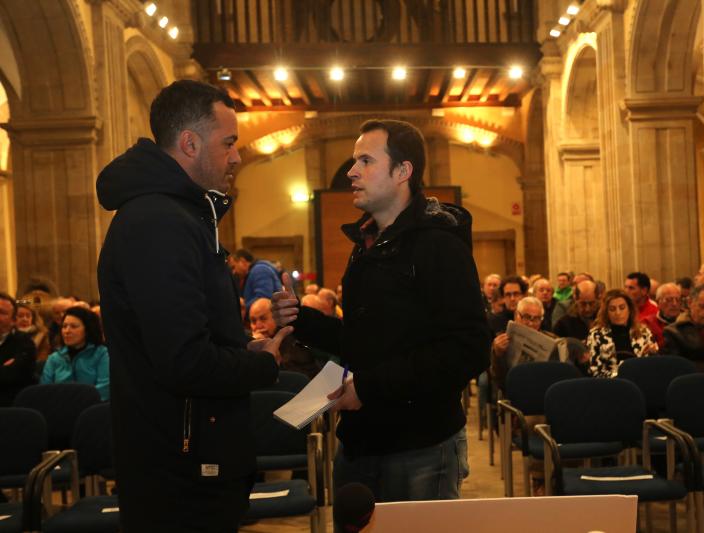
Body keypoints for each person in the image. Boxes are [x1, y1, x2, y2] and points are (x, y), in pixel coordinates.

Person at [96, 80, 290, 532]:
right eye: (229, 143)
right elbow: (183, 361)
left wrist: (247, 350)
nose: (237, 156)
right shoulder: (160, 223)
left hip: (189, 456)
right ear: (189, 143)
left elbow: (191, 333)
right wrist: (263, 364)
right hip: (179, 469)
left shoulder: (178, 216)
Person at [272, 118, 490, 502]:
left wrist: (370, 388)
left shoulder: (439, 246)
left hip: (421, 446)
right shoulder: (367, 244)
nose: (352, 172)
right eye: (354, 161)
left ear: (403, 171)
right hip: (361, 442)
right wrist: (300, 319)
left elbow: (467, 349)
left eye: (366, 161)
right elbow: (362, 339)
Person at [40, 306, 110, 401]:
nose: (67, 331)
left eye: (74, 326)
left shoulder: (102, 354)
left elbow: (104, 389)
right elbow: (44, 390)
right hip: (58, 408)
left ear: (87, 329)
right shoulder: (54, 357)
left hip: (91, 408)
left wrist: (76, 403)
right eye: (64, 326)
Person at [587, 290, 657, 378]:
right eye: (612, 309)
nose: (618, 313)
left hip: (641, 378)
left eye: (622, 307)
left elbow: (653, 364)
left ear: (629, 309)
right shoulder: (596, 334)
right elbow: (595, 370)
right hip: (611, 383)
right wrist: (619, 377)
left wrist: (653, 353)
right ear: (606, 312)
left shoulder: (643, 331)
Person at [490, 296, 555, 390]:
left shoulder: (550, 339)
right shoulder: (502, 340)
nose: (531, 323)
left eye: (536, 318)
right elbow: (498, 380)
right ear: (517, 315)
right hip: (513, 391)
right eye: (527, 317)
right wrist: (497, 354)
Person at [0, 293, 36, 407]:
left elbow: (13, 377)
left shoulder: (25, 343)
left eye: (2, 313)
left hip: (11, 406)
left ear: (13, 320)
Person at [640, 282, 683, 348]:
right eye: (669, 300)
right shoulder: (647, 323)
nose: (674, 304)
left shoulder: (687, 322)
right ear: (658, 302)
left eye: (678, 300)